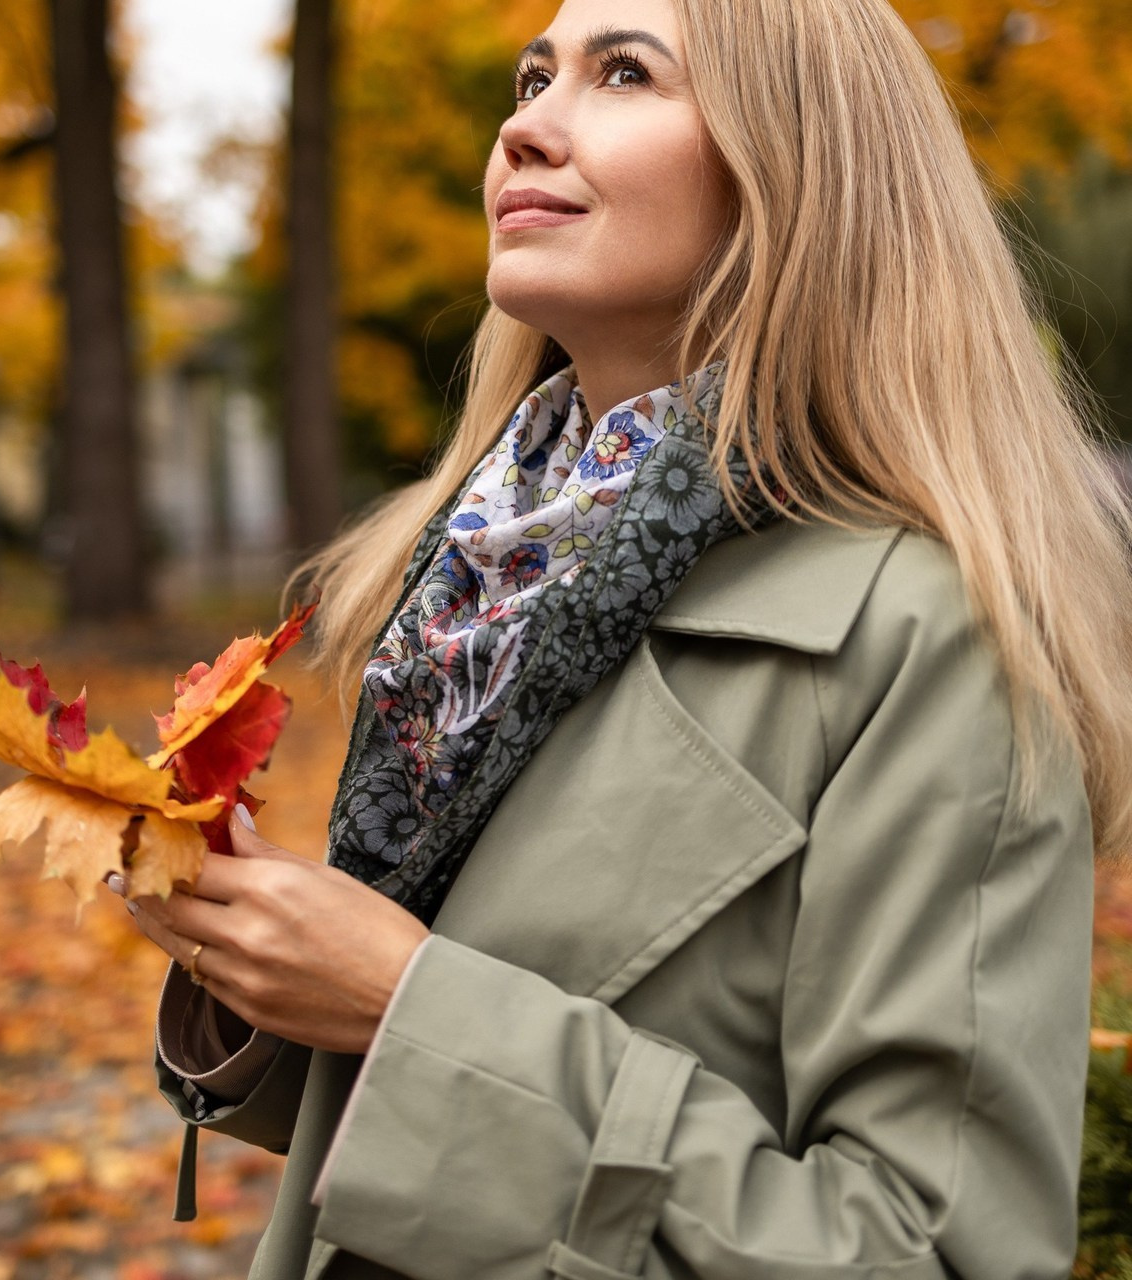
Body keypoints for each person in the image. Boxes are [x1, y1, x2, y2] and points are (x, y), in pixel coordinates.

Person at [112, 0, 1132, 1276]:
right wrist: (262, 964)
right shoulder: (473, 585)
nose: (525, 127)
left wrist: (408, 1007)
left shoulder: (926, 635)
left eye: (623, 74)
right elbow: (421, 1124)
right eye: (531, 77)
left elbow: (928, 1247)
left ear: (796, 167)